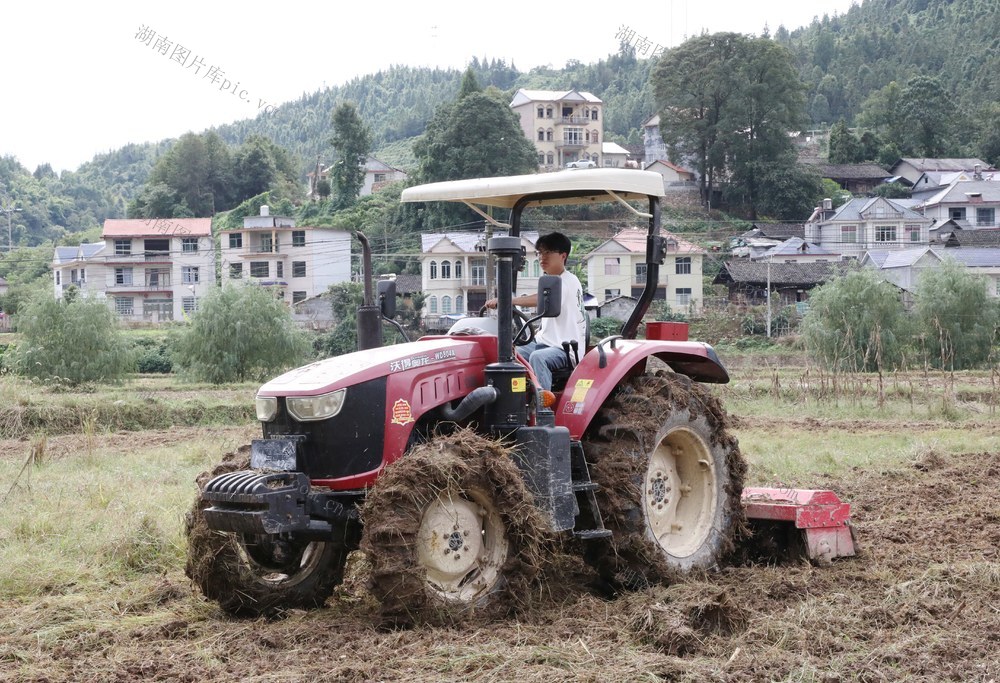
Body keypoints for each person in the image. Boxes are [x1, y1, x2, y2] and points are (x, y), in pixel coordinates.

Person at [485, 232, 586, 390]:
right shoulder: (550, 281)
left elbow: (539, 299)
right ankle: (517, 396)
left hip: (564, 348)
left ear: (563, 256)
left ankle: (542, 408)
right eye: (540, 253)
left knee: (538, 358)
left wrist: (506, 300)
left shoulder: (567, 281)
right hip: (544, 342)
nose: (542, 257)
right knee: (508, 353)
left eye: (548, 252)